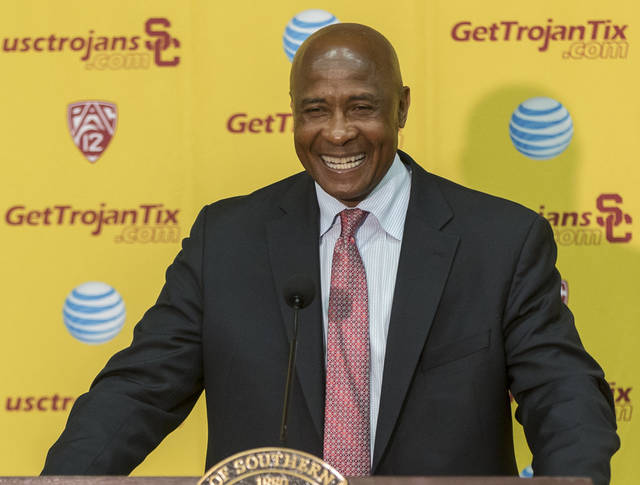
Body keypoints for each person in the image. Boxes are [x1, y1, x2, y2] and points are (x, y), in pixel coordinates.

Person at [42, 23, 619, 484]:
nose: (337, 133)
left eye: (362, 107)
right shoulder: (228, 240)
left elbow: (561, 392)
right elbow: (139, 390)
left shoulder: (500, 240)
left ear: (402, 107)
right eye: (315, 110)